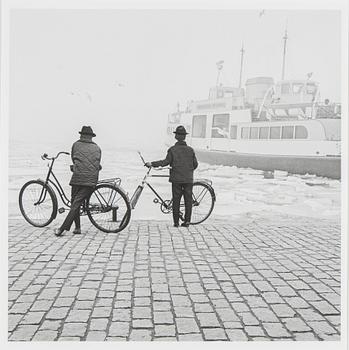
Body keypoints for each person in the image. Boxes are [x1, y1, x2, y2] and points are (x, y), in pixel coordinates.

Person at [145, 125, 198, 227]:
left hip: (176, 179)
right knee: (188, 200)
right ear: (185, 137)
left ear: (176, 137)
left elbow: (165, 162)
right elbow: (195, 165)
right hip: (188, 179)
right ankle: (187, 222)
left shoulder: (172, 150)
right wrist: (187, 171)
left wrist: (152, 163)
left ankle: (176, 222)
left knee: (176, 200)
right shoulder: (191, 150)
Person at [54, 126, 102, 236]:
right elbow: (97, 163)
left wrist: (76, 167)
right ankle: (77, 228)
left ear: (81, 135)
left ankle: (63, 228)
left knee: (74, 202)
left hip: (77, 178)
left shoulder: (75, 144)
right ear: (91, 136)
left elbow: (74, 159)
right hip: (91, 180)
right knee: (76, 203)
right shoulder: (97, 148)